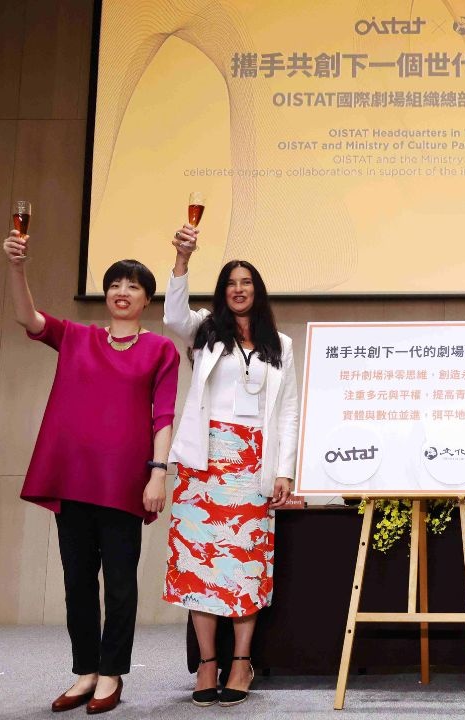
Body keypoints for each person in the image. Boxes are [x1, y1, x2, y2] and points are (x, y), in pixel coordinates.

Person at [3, 230, 179, 715]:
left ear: (146, 300)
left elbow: (163, 415)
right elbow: (28, 317)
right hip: (74, 478)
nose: (122, 292)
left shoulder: (160, 350)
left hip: (125, 482)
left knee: (120, 583)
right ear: (106, 295)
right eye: (115, 284)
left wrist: (158, 473)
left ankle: (112, 672)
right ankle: (85, 670)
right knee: (77, 580)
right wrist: (17, 267)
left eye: (133, 286)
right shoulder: (77, 337)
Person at [162, 224, 299, 707]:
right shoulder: (205, 331)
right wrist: (182, 261)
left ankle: (241, 661)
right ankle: (207, 663)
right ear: (222, 293)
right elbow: (173, 314)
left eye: (247, 283)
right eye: (231, 284)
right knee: (198, 564)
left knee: (244, 563)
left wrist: (284, 470)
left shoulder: (280, 344)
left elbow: (288, 411)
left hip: (252, 463)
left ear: (257, 292)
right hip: (204, 462)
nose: (239, 289)